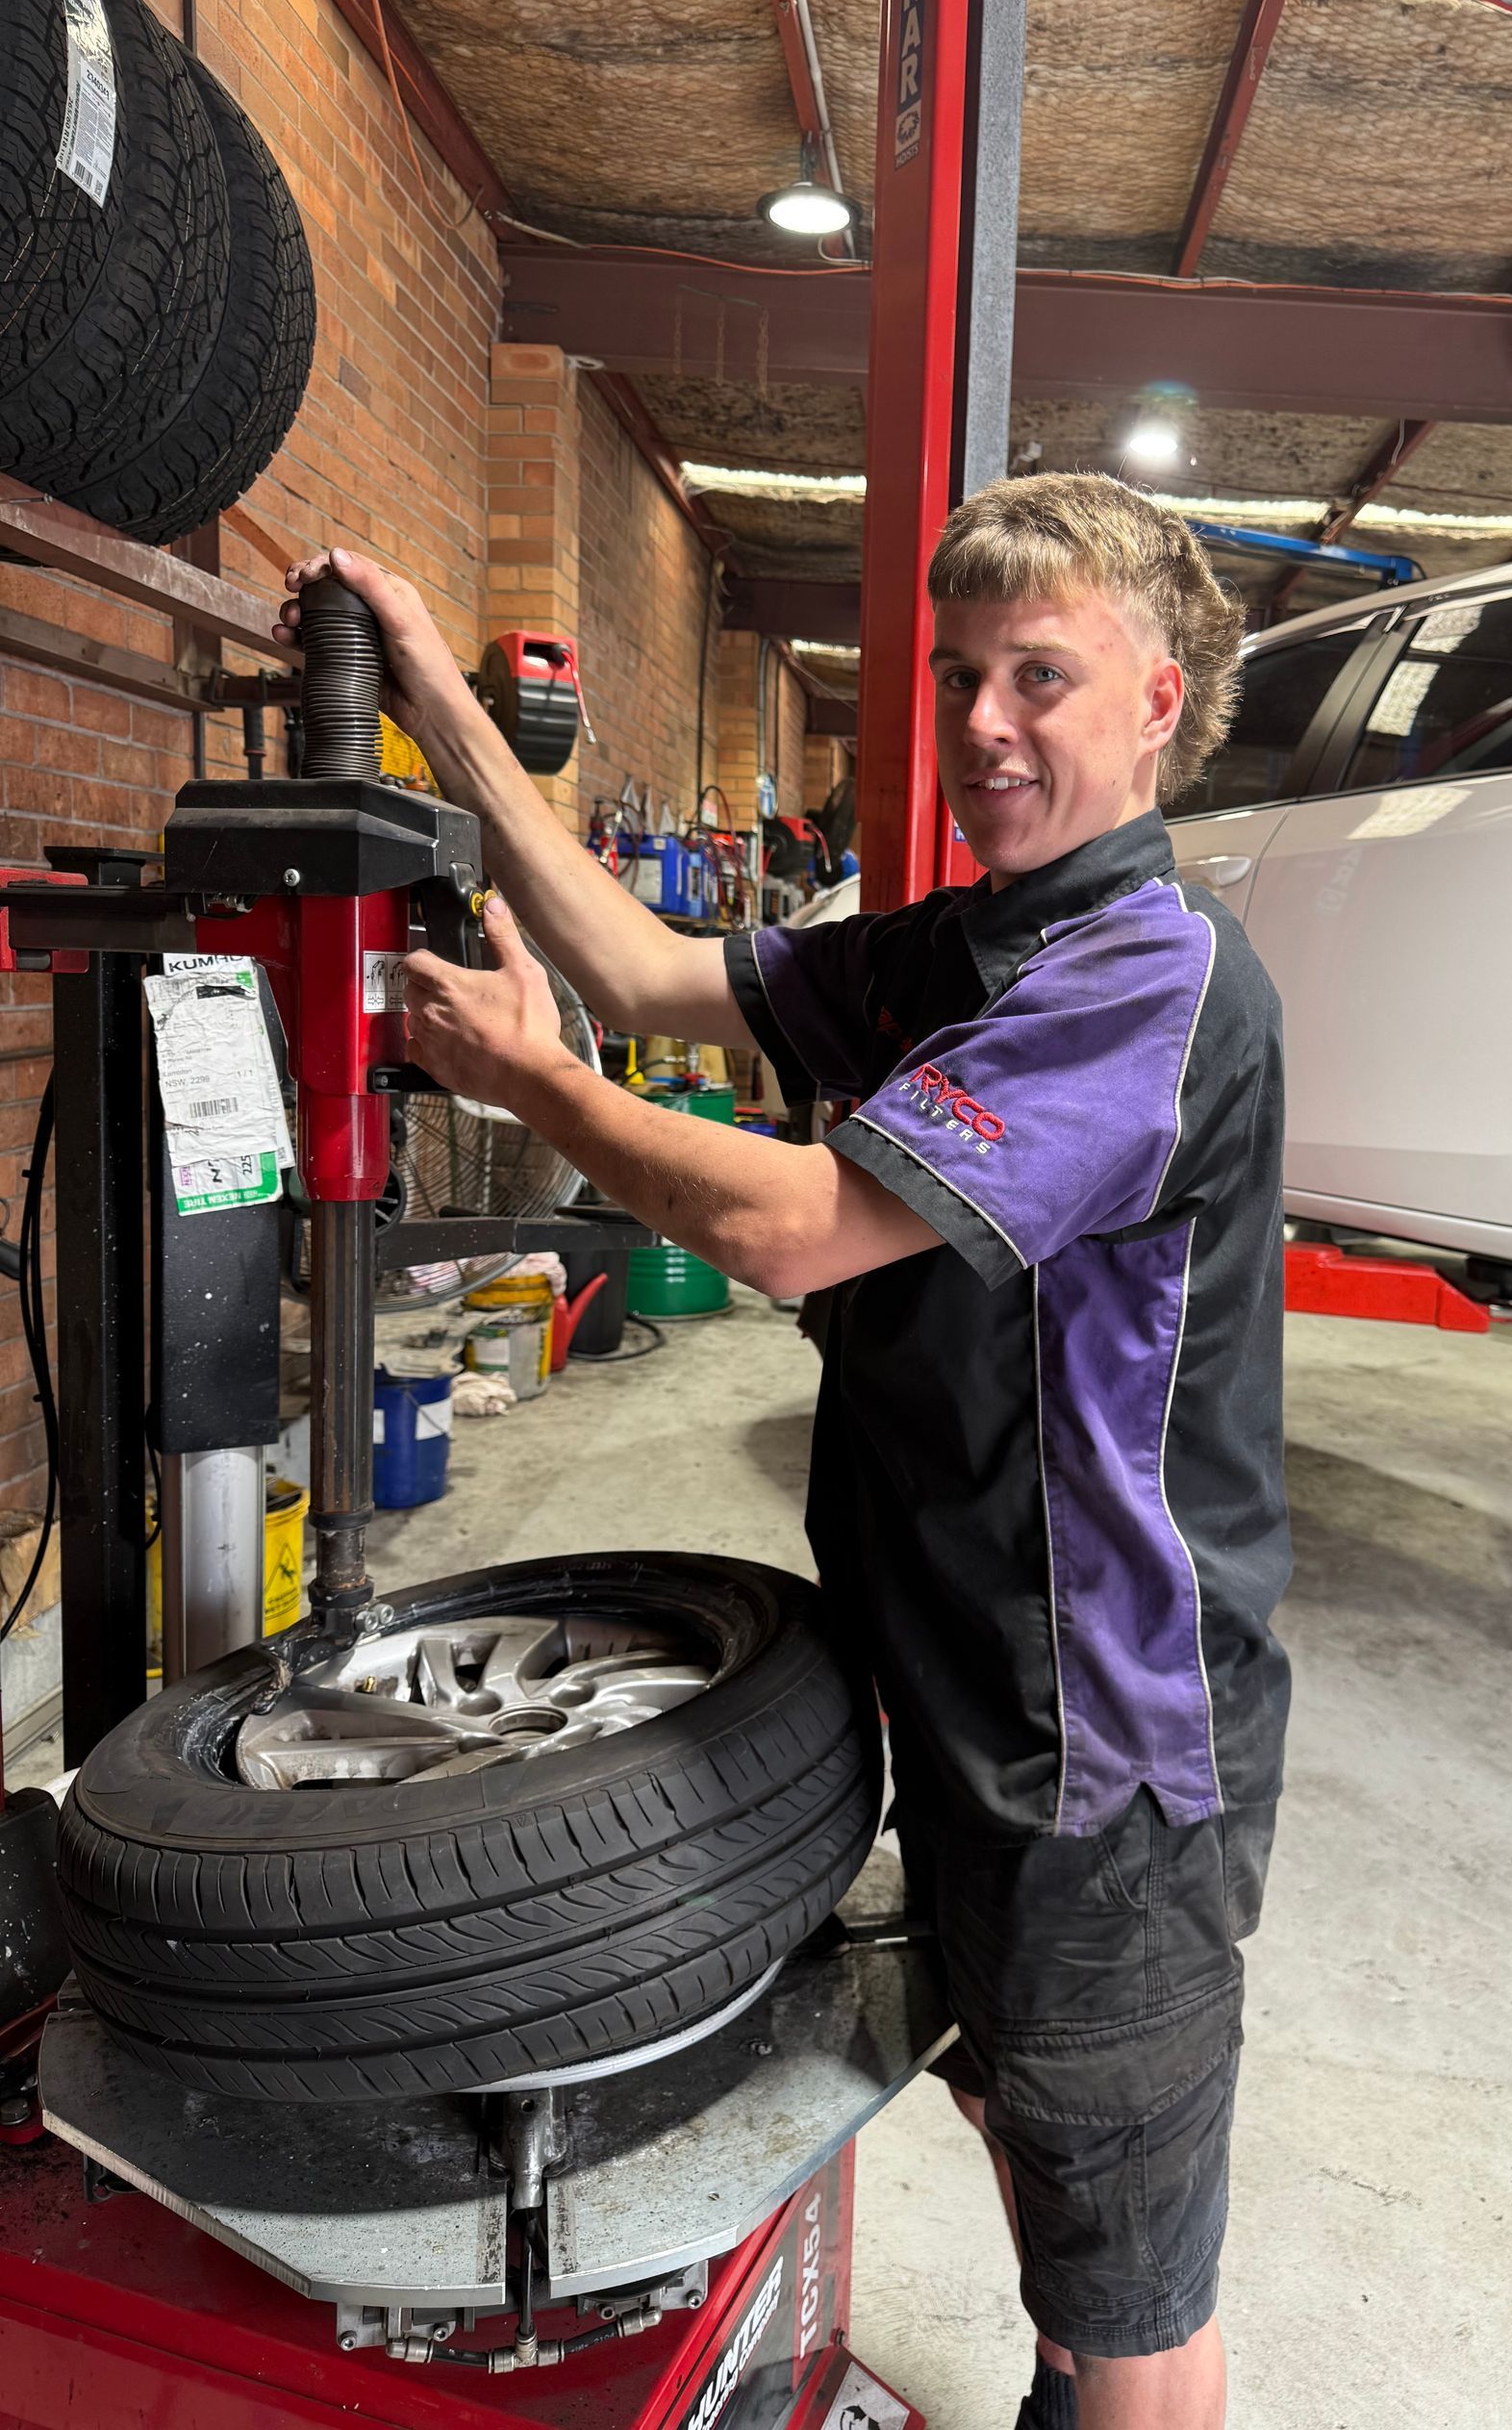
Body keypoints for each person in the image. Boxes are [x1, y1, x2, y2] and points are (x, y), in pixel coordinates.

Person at [274, 470, 1291, 2430]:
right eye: (961, 673)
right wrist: (435, 689)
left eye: (1043, 679)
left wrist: (534, 1083)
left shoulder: (1149, 979)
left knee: (1130, 2256)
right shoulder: (953, 947)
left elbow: (800, 1222)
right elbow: (651, 967)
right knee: (1026, 2111)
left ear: (1161, 702)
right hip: (971, 1676)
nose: (985, 722)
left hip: (1109, 1745)